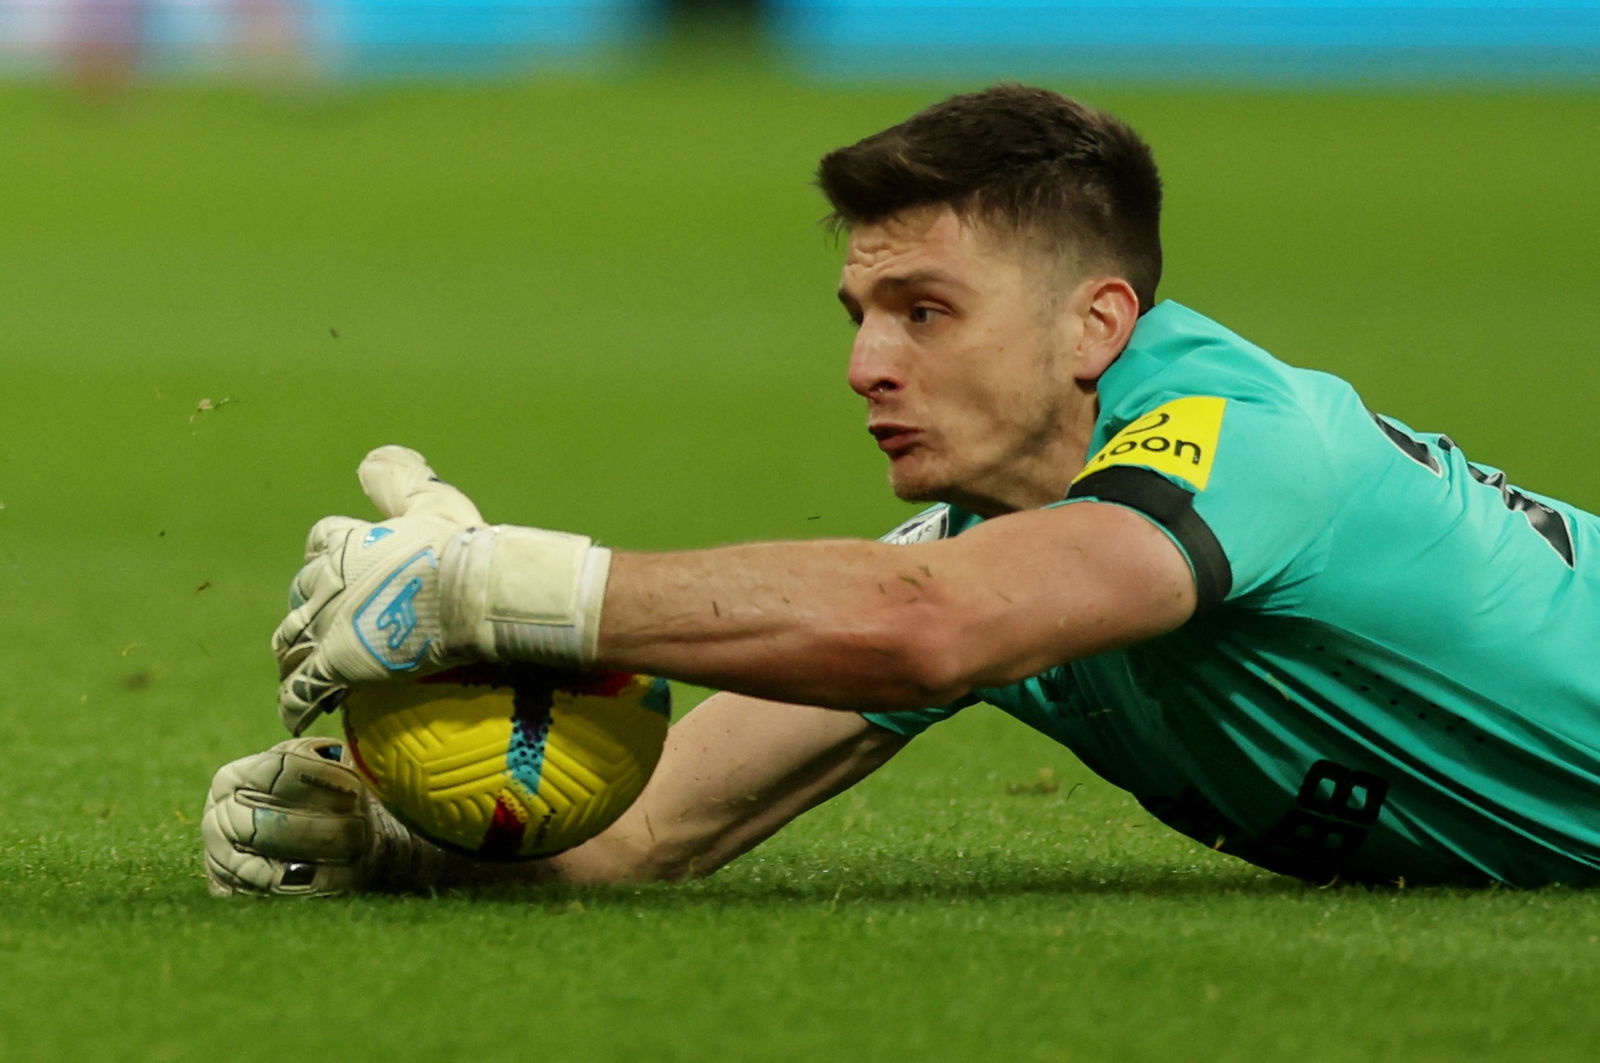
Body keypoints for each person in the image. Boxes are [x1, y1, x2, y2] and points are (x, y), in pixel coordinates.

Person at [202, 84, 1600, 897]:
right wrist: (410, 838)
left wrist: (483, 591)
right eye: (859, 312)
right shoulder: (1005, 541)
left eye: (925, 311)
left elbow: (926, 623)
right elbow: (665, 821)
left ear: (1096, 327)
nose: (868, 364)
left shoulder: (1250, 444)